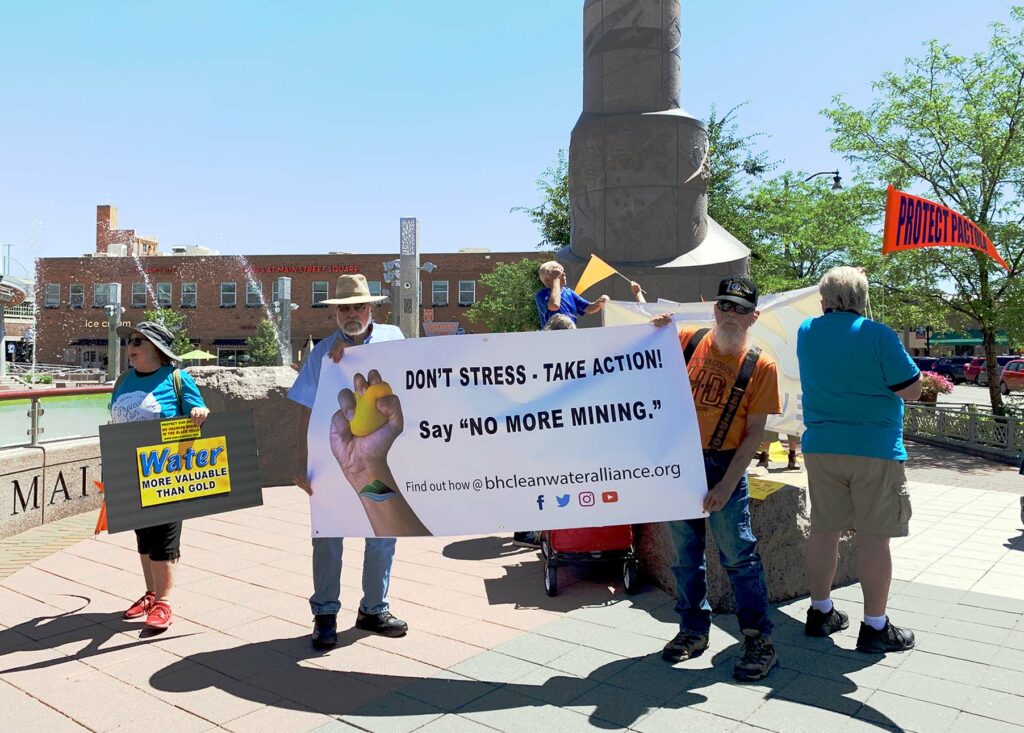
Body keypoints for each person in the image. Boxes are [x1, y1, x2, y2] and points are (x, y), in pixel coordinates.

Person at [652, 275, 780, 682]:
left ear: (753, 317)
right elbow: (636, 362)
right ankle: (692, 629)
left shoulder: (762, 364)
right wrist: (653, 331)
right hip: (681, 464)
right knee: (685, 557)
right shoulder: (687, 339)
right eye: (725, 306)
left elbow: (757, 432)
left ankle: (759, 639)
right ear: (714, 309)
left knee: (739, 555)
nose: (731, 314)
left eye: (741, 309)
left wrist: (726, 485)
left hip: (726, 464)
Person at [798, 266, 920, 653]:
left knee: (824, 530)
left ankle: (820, 612)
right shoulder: (879, 335)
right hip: (874, 449)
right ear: (863, 299)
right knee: (874, 538)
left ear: (825, 300)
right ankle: (875, 627)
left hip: (821, 446)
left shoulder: (806, 332)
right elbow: (912, 390)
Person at [289, 274, 409, 650]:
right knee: (328, 536)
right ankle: (325, 613)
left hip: (382, 456)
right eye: (344, 308)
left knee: (383, 534)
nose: (352, 313)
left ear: (371, 308)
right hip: (331, 457)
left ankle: (374, 608)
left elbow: (414, 384)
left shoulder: (395, 339)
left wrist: (355, 353)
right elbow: (305, 409)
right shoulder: (322, 352)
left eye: (358, 306)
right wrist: (299, 460)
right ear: (335, 314)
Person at [112, 321, 210, 631]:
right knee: (143, 536)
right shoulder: (123, 380)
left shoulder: (177, 379)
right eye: (131, 341)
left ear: (157, 349)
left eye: (138, 342)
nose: (131, 347)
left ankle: (164, 602)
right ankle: (151, 594)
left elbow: (199, 412)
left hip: (168, 470)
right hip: (131, 470)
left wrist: (199, 414)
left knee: (164, 537)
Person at [535, 260, 609, 329]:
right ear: (548, 280)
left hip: (570, 331)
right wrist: (556, 279)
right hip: (551, 333)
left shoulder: (569, 293)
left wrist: (600, 302)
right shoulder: (542, 294)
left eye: (562, 271)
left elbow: (589, 308)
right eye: (558, 273)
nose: (563, 274)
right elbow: (554, 305)